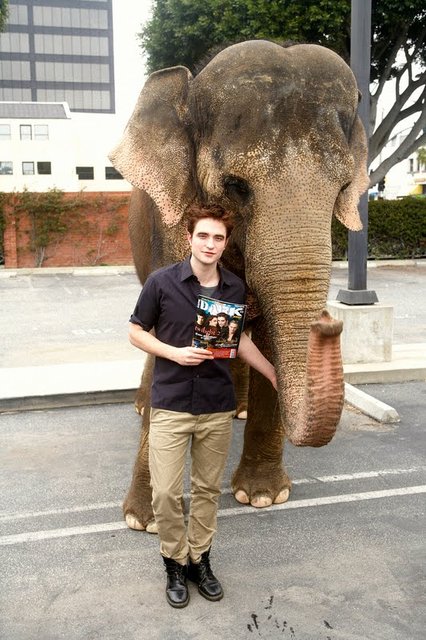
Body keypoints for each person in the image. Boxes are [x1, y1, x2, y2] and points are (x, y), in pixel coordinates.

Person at [128, 203, 277, 609]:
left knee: (207, 490)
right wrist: (173, 353)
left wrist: (271, 373)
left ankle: (200, 560)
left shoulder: (233, 288)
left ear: (225, 244)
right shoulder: (161, 283)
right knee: (164, 493)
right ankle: (174, 562)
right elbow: (136, 331)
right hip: (171, 404)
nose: (210, 244)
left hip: (215, 405)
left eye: (218, 238)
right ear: (189, 238)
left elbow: (237, 340)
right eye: (203, 236)